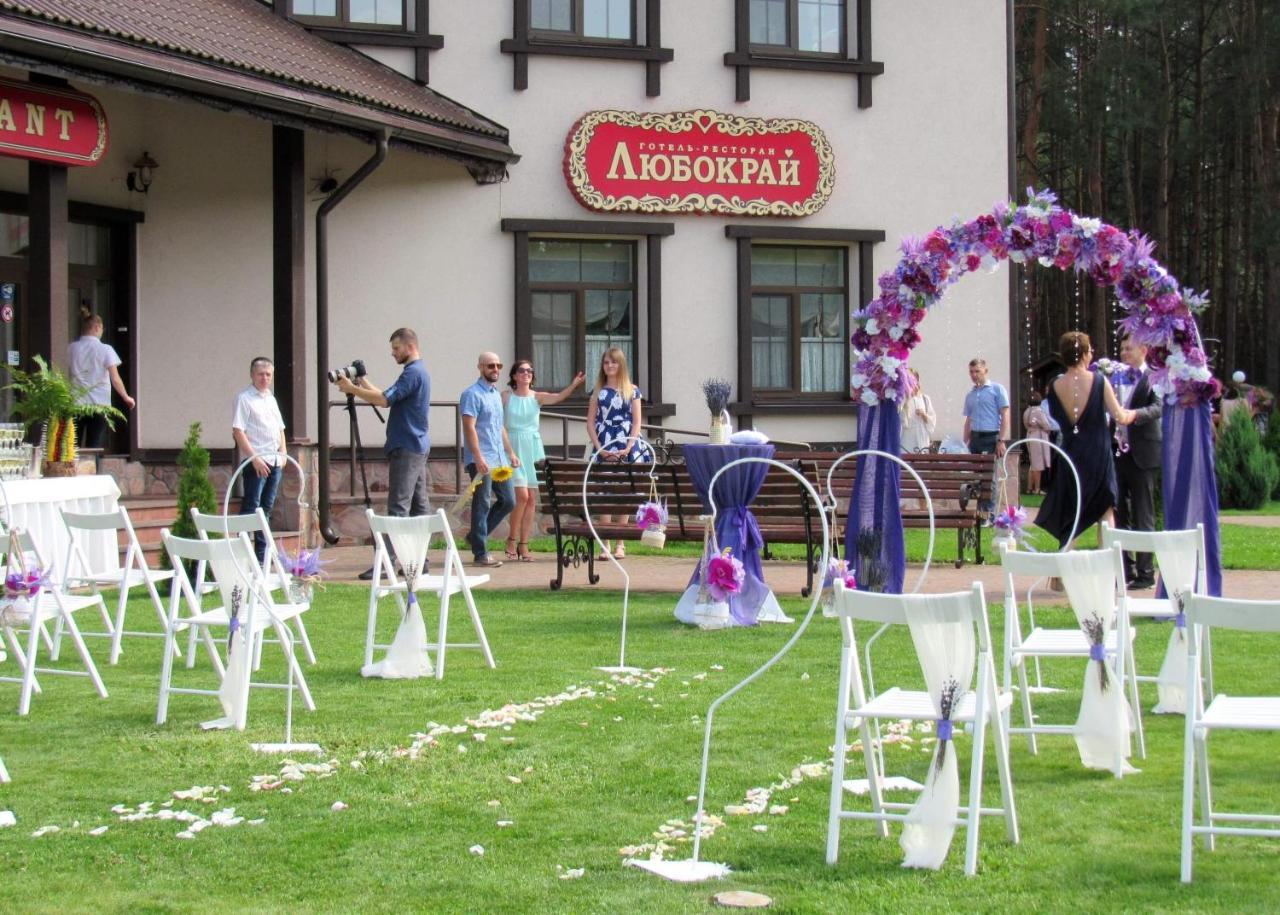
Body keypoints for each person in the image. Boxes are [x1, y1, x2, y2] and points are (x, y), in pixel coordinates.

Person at [335, 328, 432, 580]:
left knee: (398, 507)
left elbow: (383, 401)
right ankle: (420, 561)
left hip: (407, 446)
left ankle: (386, 562)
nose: (393, 353)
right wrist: (362, 380)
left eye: (396, 348)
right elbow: (385, 396)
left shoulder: (412, 373)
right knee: (419, 507)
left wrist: (351, 388)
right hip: (416, 444)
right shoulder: (417, 372)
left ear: (410, 347)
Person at [1035, 331, 1136, 549]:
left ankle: (1061, 574)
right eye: (1089, 350)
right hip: (1098, 453)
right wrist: (1137, 413)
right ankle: (1107, 568)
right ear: (1082, 354)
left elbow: (1054, 417)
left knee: (1072, 512)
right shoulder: (1099, 381)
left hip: (1070, 451)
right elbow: (1120, 416)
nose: (1092, 354)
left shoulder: (1055, 386)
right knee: (1106, 509)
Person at [502, 359, 585, 562]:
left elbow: (558, 397)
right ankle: (511, 540)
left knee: (531, 498)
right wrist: (508, 451)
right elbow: (498, 423)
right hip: (513, 446)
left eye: (530, 371)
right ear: (514, 375)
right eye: (522, 371)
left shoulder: (537, 397)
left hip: (533, 446)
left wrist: (574, 385)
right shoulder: (505, 397)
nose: (526, 374)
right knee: (520, 496)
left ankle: (524, 544)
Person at [460, 352, 520, 568]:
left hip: (499, 458)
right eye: (491, 366)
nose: (495, 369)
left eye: (498, 366)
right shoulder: (471, 394)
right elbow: (469, 428)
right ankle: (481, 552)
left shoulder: (495, 395)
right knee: (482, 502)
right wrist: (478, 458)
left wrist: (510, 452)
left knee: (509, 501)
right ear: (480, 367)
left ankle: (476, 536)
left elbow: (500, 427)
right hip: (481, 458)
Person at [1112, 335, 1163, 588]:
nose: (1123, 352)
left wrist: (1133, 415)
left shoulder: (1154, 377)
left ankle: (1145, 573)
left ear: (1144, 350)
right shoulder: (1115, 376)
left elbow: (1157, 407)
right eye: (1121, 348)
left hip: (1144, 453)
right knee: (1120, 512)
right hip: (1118, 453)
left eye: (1128, 348)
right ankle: (1126, 570)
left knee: (1144, 513)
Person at [587, 346, 646, 559]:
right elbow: (591, 423)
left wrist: (629, 446)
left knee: (624, 493)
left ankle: (621, 543)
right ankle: (605, 543)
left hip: (627, 442)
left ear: (621, 364)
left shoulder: (632, 390)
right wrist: (600, 449)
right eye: (606, 362)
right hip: (605, 442)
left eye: (613, 362)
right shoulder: (598, 391)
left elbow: (637, 421)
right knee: (606, 492)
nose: (610, 365)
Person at [232, 356, 287, 563]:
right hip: (256, 462)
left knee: (266, 509)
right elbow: (238, 431)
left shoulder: (270, 399)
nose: (265, 378)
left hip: (274, 461)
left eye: (268, 374)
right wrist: (254, 458)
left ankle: (262, 557)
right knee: (251, 508)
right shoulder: (244, 398)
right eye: (261, 374)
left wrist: (283, 451)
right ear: (252, 375)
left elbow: (280, 429)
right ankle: (241, 554)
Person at [66, 313, 134, 450]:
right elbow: (115, 378)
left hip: (76, 403)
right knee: (94, 446)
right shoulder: (105, 349)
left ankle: (73, 470)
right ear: (97, 327)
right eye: (102, 329)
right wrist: (126, 397)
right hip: (99, 404)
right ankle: (93, 470)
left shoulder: (71, 348)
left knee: (72, 447)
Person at [962, 357, 1010, 519]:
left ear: (985, 371)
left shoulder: (996, 389)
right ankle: (980, 511)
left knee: (990, 477)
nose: (974, 375)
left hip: (991, 437)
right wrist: (964, 442)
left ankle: (989, 514)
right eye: (971, 372)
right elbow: (969, 419)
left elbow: (1005, 415)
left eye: (977, 371)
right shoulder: (970, 395)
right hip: (975, 437)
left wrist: (1001, 440)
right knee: (977, 476)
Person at [899, 369, 936, 453]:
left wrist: (924, 415)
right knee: (906, 464)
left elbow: (932, 423)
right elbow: (902, 422)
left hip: (922, 440)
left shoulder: (925, 399)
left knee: (922, 463)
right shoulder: (903, 398)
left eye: (913, 380)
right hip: (907, 441)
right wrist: (907, 399)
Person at [1022, 391, 1053, 494]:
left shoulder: (1026, 411)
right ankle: (1037, 488)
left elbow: (1026, 425)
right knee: (1038, 464)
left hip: (1030, 435)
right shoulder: (1039, 411)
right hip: (1038, 437)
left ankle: (1029, 487)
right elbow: (1047, 425)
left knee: (1032, 463)